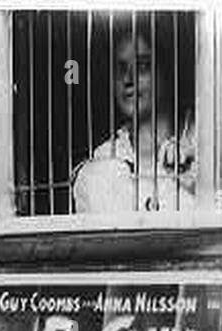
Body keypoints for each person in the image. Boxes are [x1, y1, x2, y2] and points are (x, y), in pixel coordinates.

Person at [72, 21, 195, 213]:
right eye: (121, 69)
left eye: (143, 66)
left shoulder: (206, 141)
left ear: (167, 70)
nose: (128, 79)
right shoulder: (100, 164)